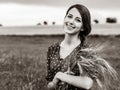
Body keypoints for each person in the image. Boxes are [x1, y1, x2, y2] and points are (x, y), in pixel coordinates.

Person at [46, 4, 119, 90]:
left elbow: (87, 83)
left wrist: (60, 75)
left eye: (77, 20)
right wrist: (52, 84)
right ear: (65, 18)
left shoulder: (85, 51)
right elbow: (50, 82)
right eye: (69, 16)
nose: (71, 21)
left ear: (83, 27)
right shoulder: (52, 49)